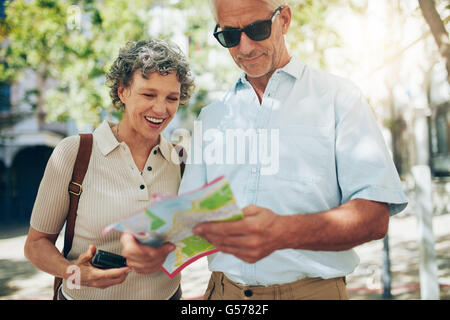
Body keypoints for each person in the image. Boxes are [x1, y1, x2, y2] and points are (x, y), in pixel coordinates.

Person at [178, 0, 409, 300]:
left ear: (284, 19)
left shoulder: (340, 99)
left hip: (312, 293)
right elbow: (190, 219)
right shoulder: (212, 116)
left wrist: (282, 231)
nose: (245, 48)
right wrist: (146, 247)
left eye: (256, 29)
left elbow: (374, 217)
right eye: (230, 36)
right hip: (224, 294)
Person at [24, 39, 195, 300]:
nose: (161, 109)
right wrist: (75, 273)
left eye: (172, 98)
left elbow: (193, 238)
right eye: (148, 94)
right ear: (123, 91)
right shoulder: (74, 153)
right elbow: (36, 245)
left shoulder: (180, 159)